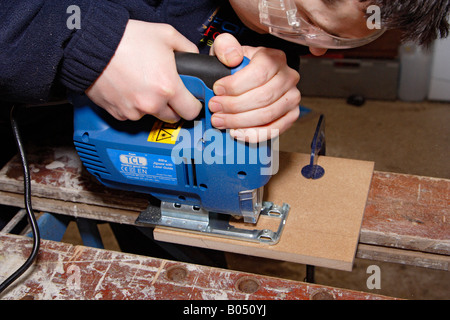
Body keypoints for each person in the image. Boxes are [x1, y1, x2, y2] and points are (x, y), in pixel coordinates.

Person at [1, 0, 449, 143]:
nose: (313, 46)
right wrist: (83, 42)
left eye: (335, 40)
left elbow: (263, 26)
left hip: (147, 146)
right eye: (307, 20)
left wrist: (269, 70)